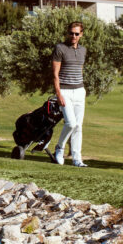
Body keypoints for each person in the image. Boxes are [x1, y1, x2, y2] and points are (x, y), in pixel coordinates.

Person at [50, 20, 88, 167]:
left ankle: (77, 159)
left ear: (81, 35)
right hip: (64, 91)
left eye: (77, 34)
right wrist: (58, 93)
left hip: (79, 90)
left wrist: (82, 90)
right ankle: (59, 148)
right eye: (71, 33)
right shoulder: (60, 48)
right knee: (71, 123)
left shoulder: (83, 50)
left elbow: (79, 70)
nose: (74, 36)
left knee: (78, 126)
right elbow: (55, 74)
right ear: (68, 33)